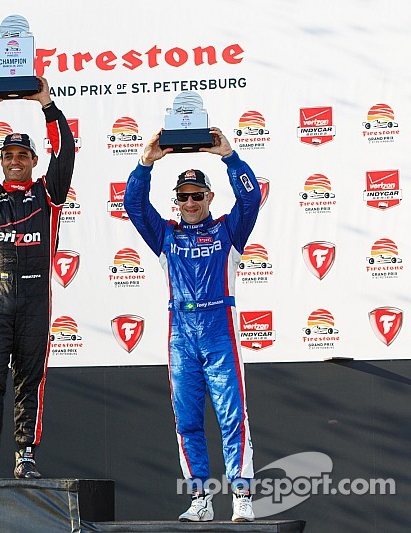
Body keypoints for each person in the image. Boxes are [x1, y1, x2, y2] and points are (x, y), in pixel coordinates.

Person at [123, 128, 261, 522]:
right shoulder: (164, 234)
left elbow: (251, 197)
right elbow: (134, 203)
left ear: (209, 197)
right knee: (187, 419)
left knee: (232, 414)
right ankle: (199, 499)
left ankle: (242, 497)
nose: (190, 203)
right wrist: (145, 162)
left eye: (197, 196)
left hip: (219, 328)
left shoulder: (229, 230)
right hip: (181, 331)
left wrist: (230, 157)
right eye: (182, 197)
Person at [0, 77, 75, 479]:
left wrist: (47, 105)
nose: (16, 160)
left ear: (33, 160)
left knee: (30, 378)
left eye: (23, 154)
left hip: (35, 297)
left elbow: (67, 153)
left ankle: (26, 455)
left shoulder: (49, 194)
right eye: (9, 154)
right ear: (1, 160)